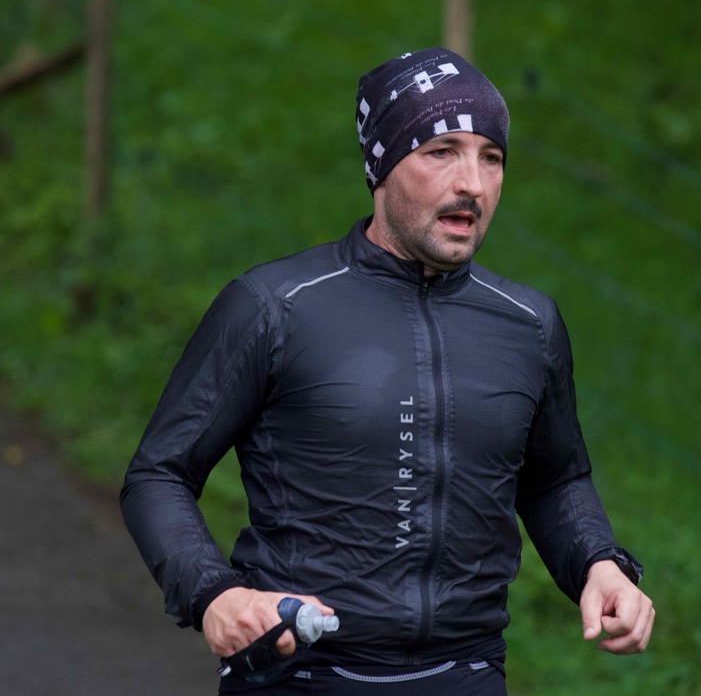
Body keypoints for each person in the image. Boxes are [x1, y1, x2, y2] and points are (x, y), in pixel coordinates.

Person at [120, 47, 654, 694]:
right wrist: (214, 595)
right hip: (301, 673)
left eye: (491, 157)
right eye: (442, 151)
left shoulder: (528, 323)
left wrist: (599, 562)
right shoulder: (274, 306)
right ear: (381, 166)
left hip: (466, 674)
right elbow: (159, 473)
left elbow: (554, 479)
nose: (473, 182)